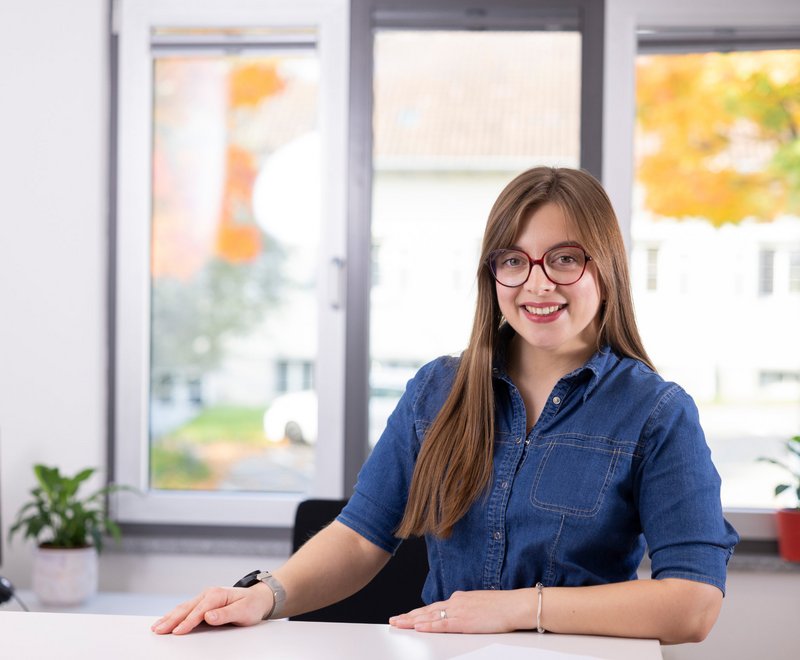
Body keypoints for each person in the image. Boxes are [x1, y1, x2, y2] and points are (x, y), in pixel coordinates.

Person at [152, 167, 738, 643]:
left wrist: (515, 609)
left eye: (564, 258)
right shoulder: (438, 390)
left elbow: (692, 604)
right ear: (492, 276)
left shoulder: (657, 412)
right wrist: (266, 594)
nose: (537, 284)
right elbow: (360, 537)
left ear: (604, 268)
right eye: (514, 261)